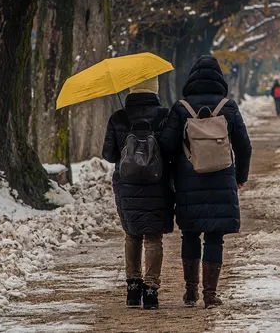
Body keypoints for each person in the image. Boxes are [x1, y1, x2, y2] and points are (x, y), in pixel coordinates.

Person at [160, 56, 252, 308]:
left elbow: (166, 147)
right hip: (221, 179)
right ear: (219, 79)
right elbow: (244, 146)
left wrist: (173, 170)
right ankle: (210, 295)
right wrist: (240, 177)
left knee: (189, 235)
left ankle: (190, 292)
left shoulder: (181, 108)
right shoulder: (228, 106)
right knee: (215, 237)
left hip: (188, 182)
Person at [102, 77, 174, 310]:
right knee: (154, 237)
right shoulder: (164, 116)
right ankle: (151, 290)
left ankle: (133, 289)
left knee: (132, 234)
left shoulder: (118, 117)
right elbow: (172, 149)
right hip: (158, 184)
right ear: (155, 89)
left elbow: (109, 155)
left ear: (131, 88)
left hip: (127, 185)